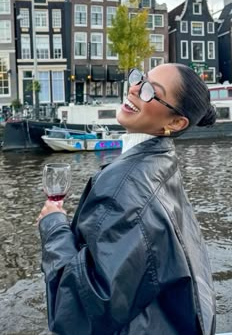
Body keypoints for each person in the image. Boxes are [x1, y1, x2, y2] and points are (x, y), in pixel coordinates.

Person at [38, 63, 216, 335]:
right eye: (139, 79)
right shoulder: (163, 166)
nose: (133, 88)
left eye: (150, 91)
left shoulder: (124, 188)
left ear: (175, 122)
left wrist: (53, 226)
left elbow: (78, 312)